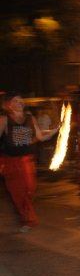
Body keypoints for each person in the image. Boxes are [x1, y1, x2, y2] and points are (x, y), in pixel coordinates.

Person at [0, 92, 59, 232]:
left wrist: (56, 129)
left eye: (21, 100)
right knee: (17, 192)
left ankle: (26, 215)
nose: (20, 103)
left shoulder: (29, 118)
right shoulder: (4, 119)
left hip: (27, 160)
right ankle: (27, 220)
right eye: (16, 100)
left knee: (30, 189)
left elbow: (40, 137)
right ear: (9, 104)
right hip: (11, 161)